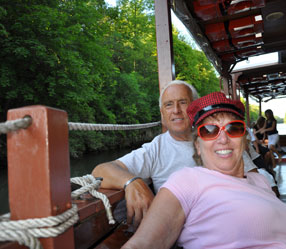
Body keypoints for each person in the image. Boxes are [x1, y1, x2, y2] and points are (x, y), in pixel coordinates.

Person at [121, 92, 286, 249]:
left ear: (243, 139)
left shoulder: (260, 182)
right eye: (209, 131)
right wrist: (130, 181)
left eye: (233, 128)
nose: (223, 138)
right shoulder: (188, 181)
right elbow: (142, 244)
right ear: (198, 146)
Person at [92, 80, 257, 228]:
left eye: (183, 102)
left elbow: (256, 184)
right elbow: (100, 171)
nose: (176, 110)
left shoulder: (220, 139)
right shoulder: (155, 149)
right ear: (162, 113)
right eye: (169, 105)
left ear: (194, 108)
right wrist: (132, 182)